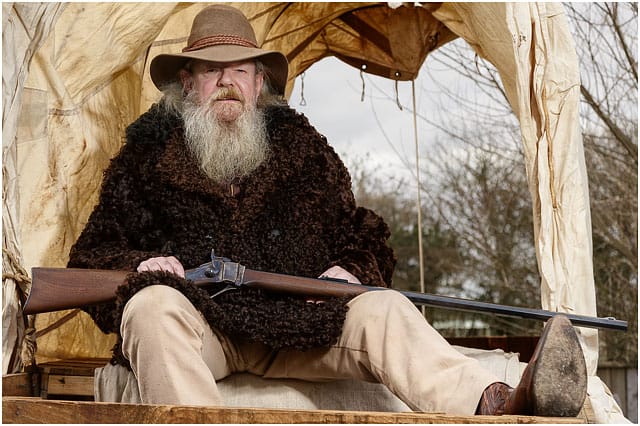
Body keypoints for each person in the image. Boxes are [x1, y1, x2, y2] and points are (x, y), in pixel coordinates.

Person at [68, 4, 587, 417]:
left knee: (382, 307)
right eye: (211, 69)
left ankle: (497, 401)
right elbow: (90, 254)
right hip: (205, 331)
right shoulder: (145, 157)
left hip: (302, 325)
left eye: (239, 69)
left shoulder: (305, 150)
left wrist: (353, 268)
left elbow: (364, 235)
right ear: (189, 83)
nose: (226, 81)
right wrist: (142, 267)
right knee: (152, 308)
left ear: (258, 83)